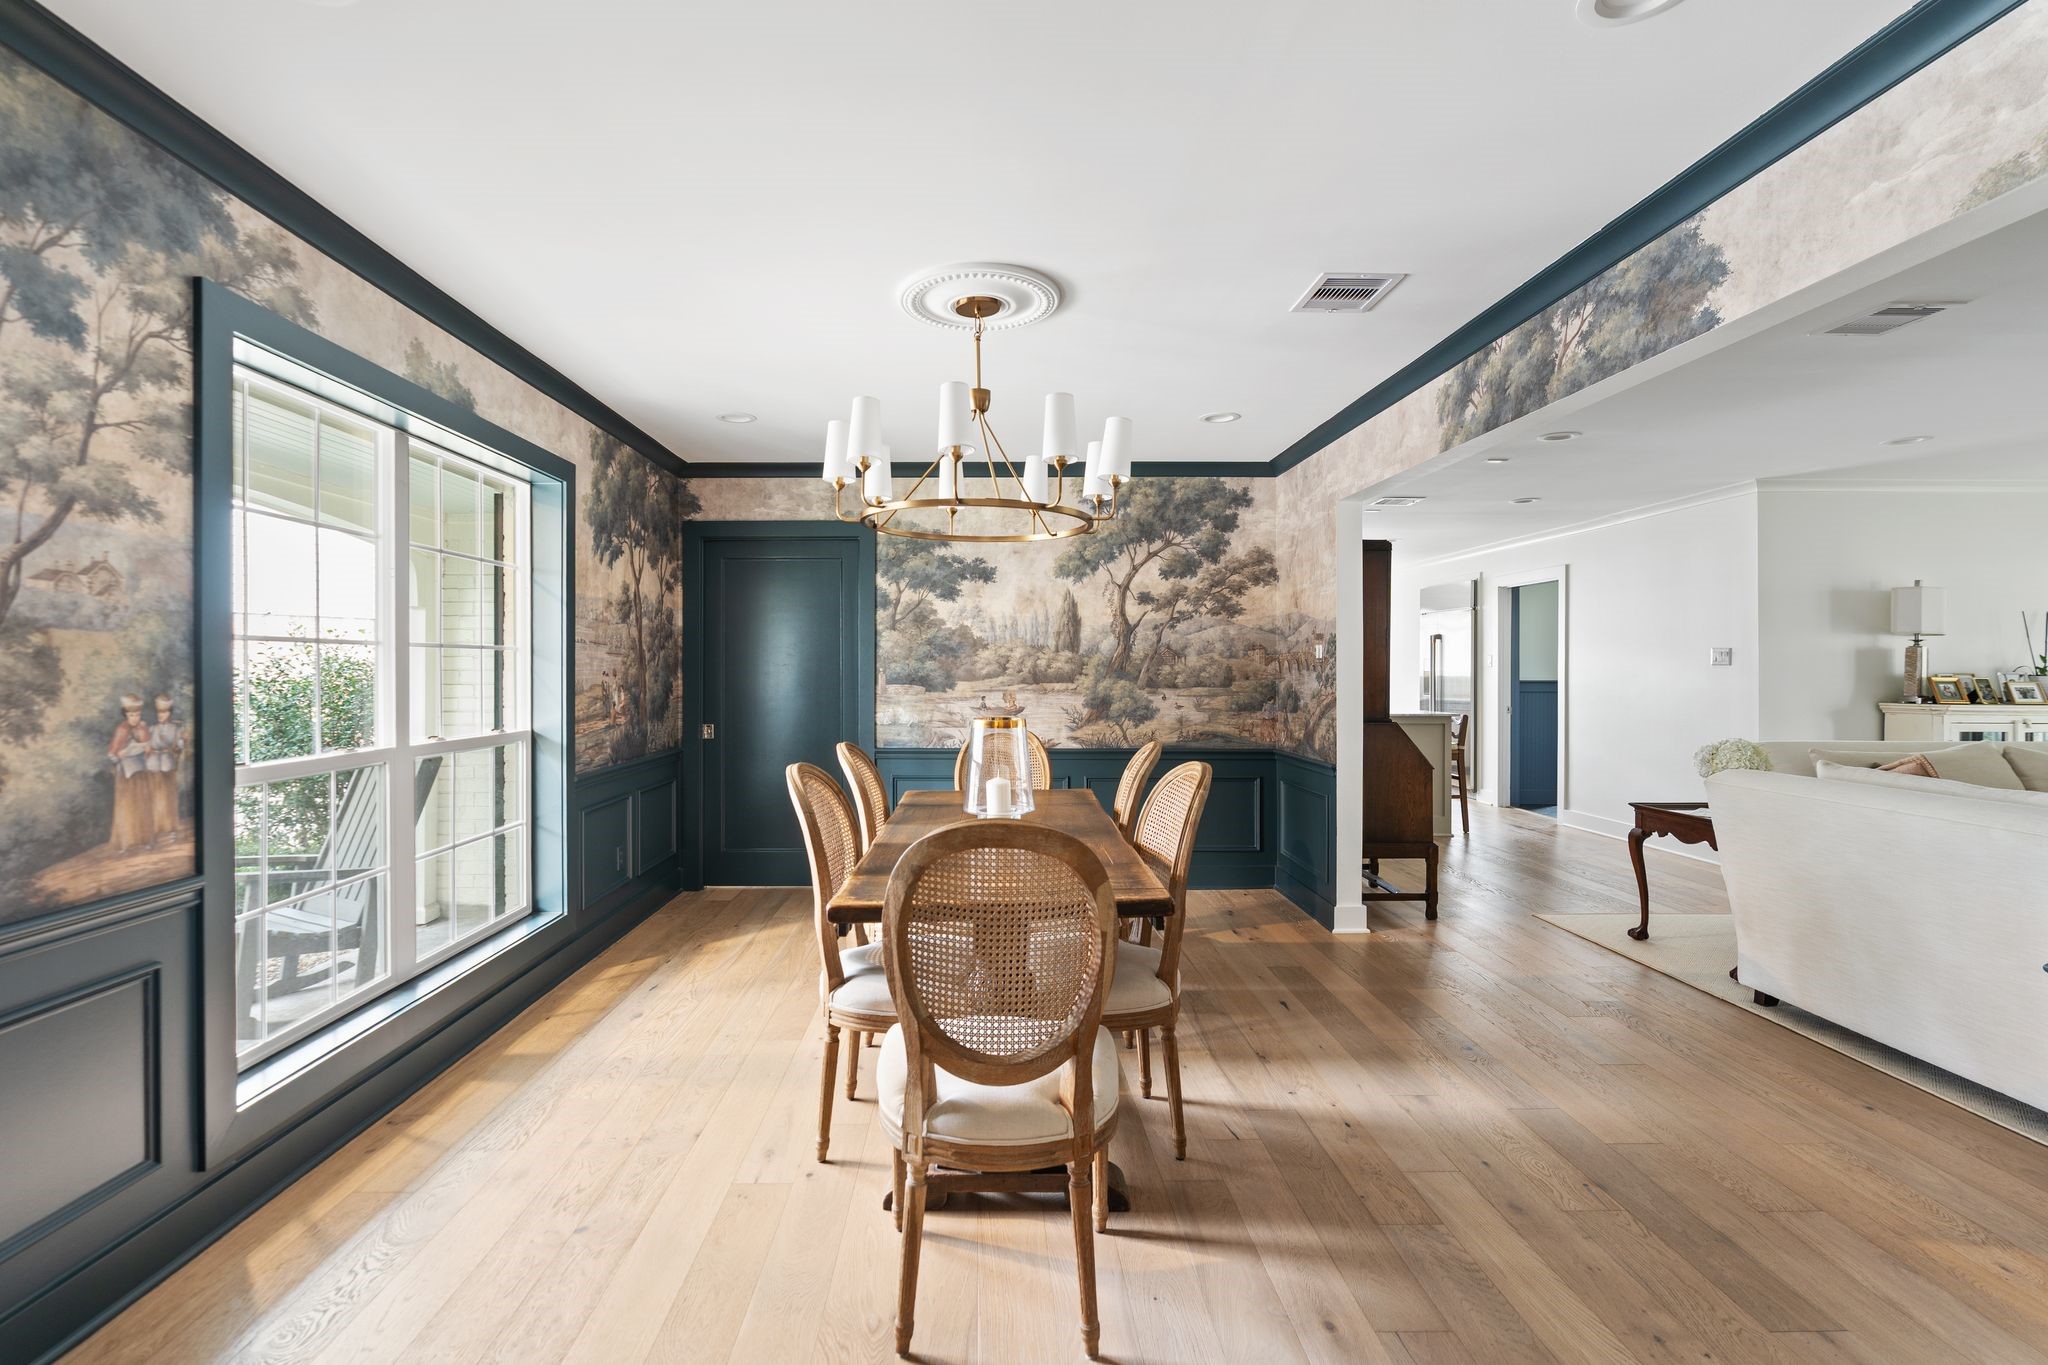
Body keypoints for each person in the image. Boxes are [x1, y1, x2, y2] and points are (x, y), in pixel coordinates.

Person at [105, 694, 153, 852]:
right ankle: (125, 842)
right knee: (127, 806)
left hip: (140, 771)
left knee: (142, 804)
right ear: (126, 715)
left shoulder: (143, 727)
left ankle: (144, 839)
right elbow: (112, 754)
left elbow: (149, 748)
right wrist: (121, 753)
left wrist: (146, 749)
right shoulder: (122, 729)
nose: (135, 718)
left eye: (137, 715)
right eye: (131, 715)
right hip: (126, 774)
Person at [146, 692, 187, 845]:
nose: (161, 715)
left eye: (164, 712)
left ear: (169, 713)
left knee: (168, 798)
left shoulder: (175, 729)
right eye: (159, 712)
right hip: (153, 766)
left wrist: (182, 741)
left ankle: (171, 830)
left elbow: (178, 747)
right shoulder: (152, 729)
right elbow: (147, 746)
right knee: (155, 799)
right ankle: (155, 831)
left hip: (168, 765)